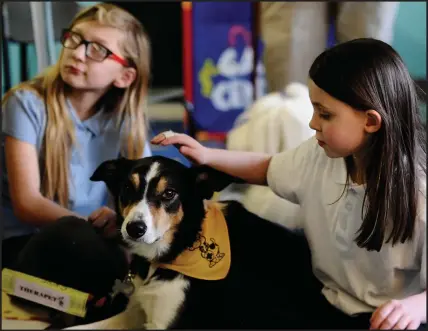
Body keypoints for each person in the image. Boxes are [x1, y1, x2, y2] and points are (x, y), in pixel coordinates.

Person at [152, 38, 426, 330]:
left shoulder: (418, 195)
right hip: (325, 297)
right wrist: (207, 154)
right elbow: (269, 167)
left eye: (325, 114)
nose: (312, 123)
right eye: (313, 110)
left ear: (371, 122)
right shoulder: (320, 153)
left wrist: (414, 308)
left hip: (383, 319)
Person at [2, 3, 152, 269]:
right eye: (75, 39)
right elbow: (27, 203)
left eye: (98, 49)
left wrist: (119, 223)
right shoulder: (25, 103)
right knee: (79, 244)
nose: (78, 54)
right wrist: (98, 228)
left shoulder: (126, 122)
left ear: (125, 76)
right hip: (27, 242)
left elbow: (144, 197)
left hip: (91, 238)